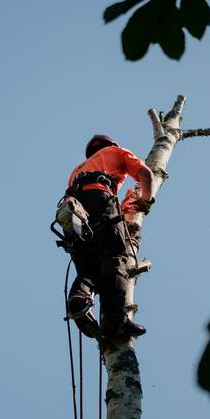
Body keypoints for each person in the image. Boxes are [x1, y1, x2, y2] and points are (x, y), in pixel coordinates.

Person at [64, 134, 154, 340]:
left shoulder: (77, 170)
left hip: (74, 214)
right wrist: (146, 202)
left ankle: (80, 297)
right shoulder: (115, 152)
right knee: (116, 255)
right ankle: (114, 318)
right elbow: (146, 175)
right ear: (111, 145)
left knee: (92, 268)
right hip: (98, 197)